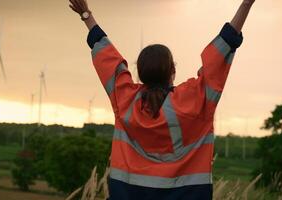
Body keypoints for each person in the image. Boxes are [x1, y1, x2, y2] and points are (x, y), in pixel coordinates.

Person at [69, 0, 255, 199]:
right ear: (172, 71)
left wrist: (86, 15)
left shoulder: (125, 99)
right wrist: (246, 4)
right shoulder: (197, 98)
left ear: (140, 74)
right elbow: (223, 49)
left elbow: (107, 56)